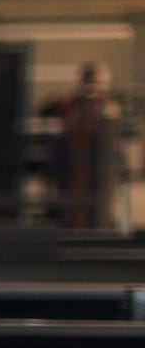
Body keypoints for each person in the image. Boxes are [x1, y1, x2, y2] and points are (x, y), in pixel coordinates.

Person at [51, 62, 114, 230]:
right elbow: (66, 130)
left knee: (97, 209)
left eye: (95, 82)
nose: (92, 86)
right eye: (89, 81)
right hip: (75, 166)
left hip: (98, 167)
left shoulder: (106, 107)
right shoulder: (72, 105)